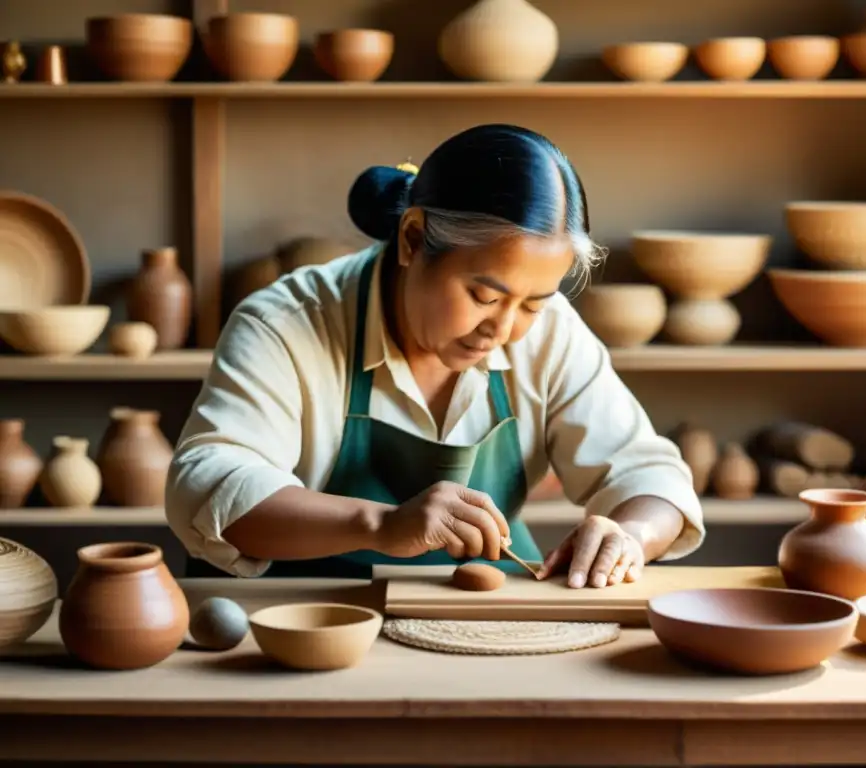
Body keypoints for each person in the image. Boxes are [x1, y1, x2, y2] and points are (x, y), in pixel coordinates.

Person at [165, 123, 705, 588]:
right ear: (412, 238)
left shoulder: (551, 333)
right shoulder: (288, 322)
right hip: (296, 618)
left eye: (533, 304)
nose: (502, 329)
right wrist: (382, 526)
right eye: (484, 296)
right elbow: (210, 483)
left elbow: (649, 474)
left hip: (465, 617)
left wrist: (629, 535)